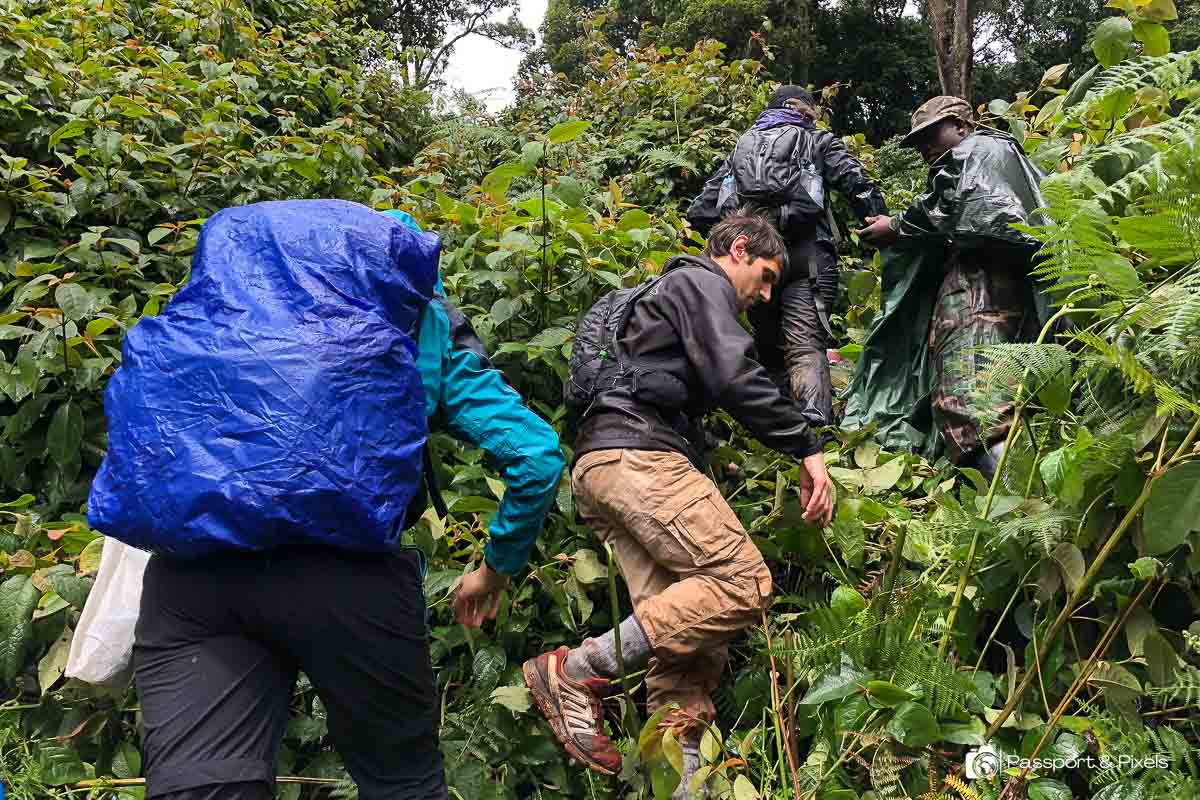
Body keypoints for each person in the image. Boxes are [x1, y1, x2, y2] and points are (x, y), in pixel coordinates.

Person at [128, 208, 565, 800]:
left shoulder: (230, 305)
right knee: (401, 783)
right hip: (346, 576)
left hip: (191, 577)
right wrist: (493, 572)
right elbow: (536, 457)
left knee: (202, 786)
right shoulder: (420, 317)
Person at [522, 214, 834, 798]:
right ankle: (572, 672)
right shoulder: (700, 283)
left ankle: (683, 784)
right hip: (640, 457)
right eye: (765, 277)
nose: (765, 296)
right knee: (741, 581)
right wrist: (807, 445)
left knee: (688, 645)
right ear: (737, 249)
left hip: (599, 467)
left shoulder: (656, 300)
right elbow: (736, 375)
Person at [856, 96, 1050, 479]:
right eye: (918, 143)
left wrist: (893, 227)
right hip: (1007, 289)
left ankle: (1020, 512)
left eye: (932, 134)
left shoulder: (975, 151)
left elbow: (953, 206)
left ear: (962, 126)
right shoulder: (1009, 158)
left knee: (970, 405)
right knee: (996, 396)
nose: (926, 148)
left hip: (981, 290)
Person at [687, 86, 887, 427]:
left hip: (754, 260)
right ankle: (815, 428)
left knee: (769, 346)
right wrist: (879, 220)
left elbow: (705, 205)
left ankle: (778, 430)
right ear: (806, 111)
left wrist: (689, 232)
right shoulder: (817, 141)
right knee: (806, 344)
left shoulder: (742, 147)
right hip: (807, 255)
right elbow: (856, 182)